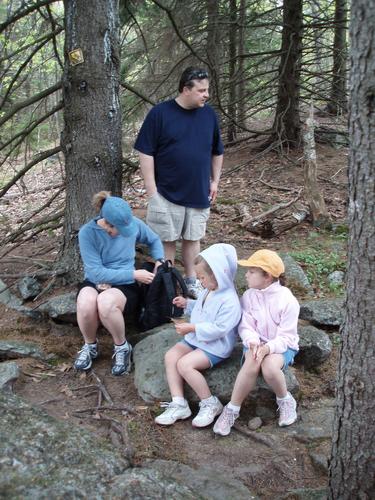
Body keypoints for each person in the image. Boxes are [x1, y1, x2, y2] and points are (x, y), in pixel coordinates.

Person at [134, 66, 224, 298]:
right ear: (186, 89)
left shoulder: (208, 115)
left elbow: (217, 151)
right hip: (166, 193)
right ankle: (166, 283)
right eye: (201, 90)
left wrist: (215, 182)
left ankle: (191, 280)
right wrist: (152, 191)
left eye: (207, 90)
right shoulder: (161, 113)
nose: (206, 94)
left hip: (198, 192)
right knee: (166, 240)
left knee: (193, 238)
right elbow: (145, 152)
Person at [73, 191, 164, 376]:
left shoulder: (132, 224)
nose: (123, 233)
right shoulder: (87, 233)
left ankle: (121, 346)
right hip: (100, 279)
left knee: (106, 303)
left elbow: (154, 240)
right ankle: (90, 345)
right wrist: (133, 274)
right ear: (106, 223)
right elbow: (95, 272)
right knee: (85, 303)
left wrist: (160, 260)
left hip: (124, 286)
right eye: (119, 231)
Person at [213, 249, 300, 436]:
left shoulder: (287, 300)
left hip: (281, 346)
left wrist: (268, 348)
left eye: (252, 272)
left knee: (269, 367)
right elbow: (245, 325)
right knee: (252, 360)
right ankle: (232, 409)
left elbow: (286, 336)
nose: (246, 275)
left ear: (267, 276)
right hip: (256, 342)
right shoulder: (249, 296)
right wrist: (252, 342)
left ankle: (285, 400)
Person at [154, 243, 241, 428]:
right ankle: (179, 402)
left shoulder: (230, 301)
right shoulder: (209, 290)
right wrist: (187, 304)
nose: (199, 281)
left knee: (185, 365)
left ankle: (210, 402)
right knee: (171, 356)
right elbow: (203, 308)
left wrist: (192, 328)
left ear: (218, 275)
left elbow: (220, 328)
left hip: (215, 346)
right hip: (196, 339)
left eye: (202, 277)